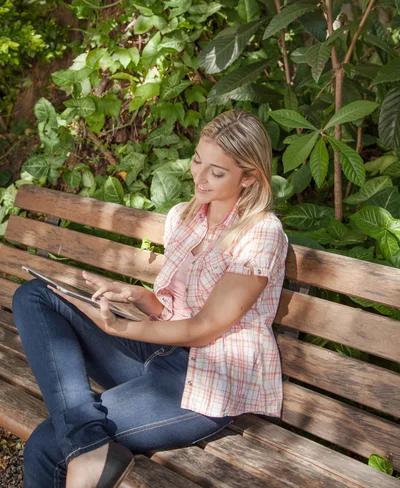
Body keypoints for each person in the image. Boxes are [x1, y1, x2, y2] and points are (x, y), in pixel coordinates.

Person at [12, 108, 288, 488]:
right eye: (197, 161)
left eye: (217, 172)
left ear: (250, 177)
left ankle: (86, 448)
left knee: (46, 446)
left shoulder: (260, 234)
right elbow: (176, 310)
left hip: (207, 382)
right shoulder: (186, 216)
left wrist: (122, 326)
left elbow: (204, 329)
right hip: (159, 352)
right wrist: (136, 296)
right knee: (37, 295)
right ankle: (89, 444)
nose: (199, 177)